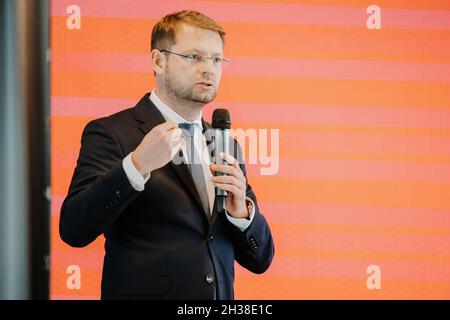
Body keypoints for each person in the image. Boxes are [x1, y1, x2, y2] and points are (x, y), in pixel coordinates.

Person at [59, 9, 274, 300]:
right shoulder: (112, 132)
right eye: (194, 57)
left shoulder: (225, 144)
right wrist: (135, 167)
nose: (208, 69)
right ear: (158, 61)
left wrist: (243, 215)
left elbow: (259, 260)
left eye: (216, 59)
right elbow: (74, 229)